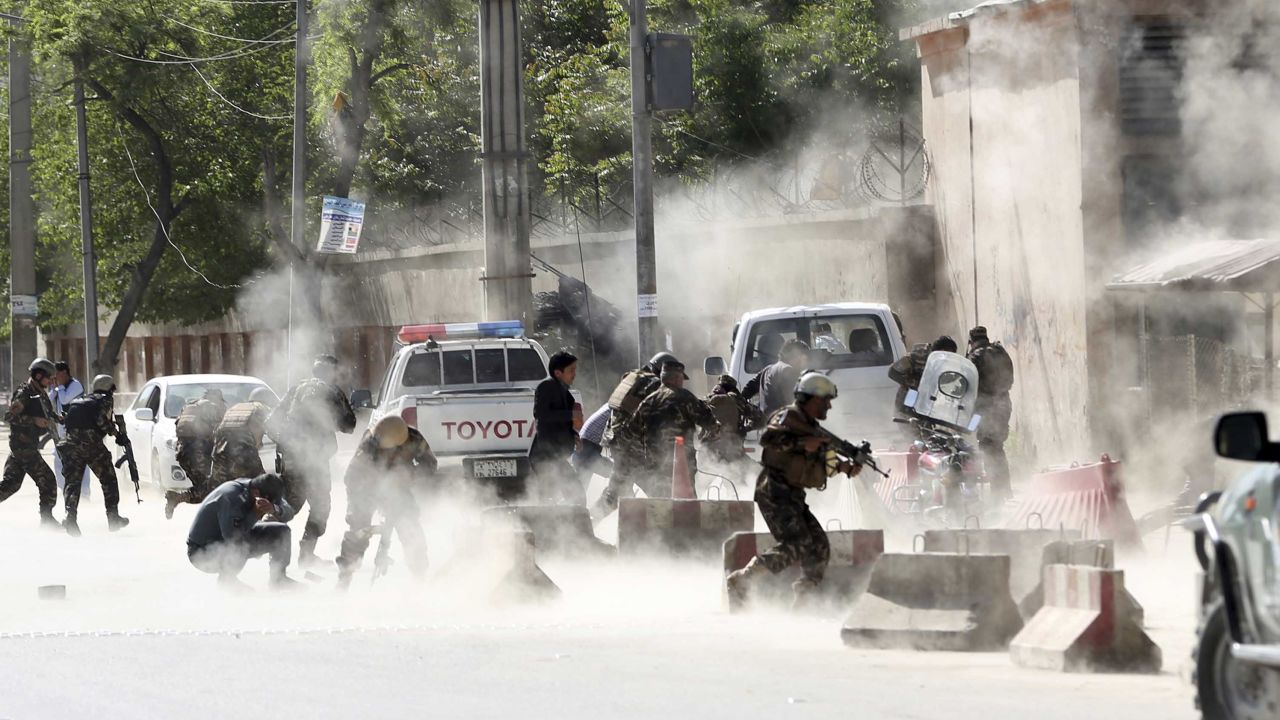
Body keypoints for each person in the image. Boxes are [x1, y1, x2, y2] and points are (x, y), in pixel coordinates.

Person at [726, 372, 863, 608]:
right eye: (825, 400)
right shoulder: (788, 416)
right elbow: (768, 439)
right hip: (774, 492)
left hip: (793, 495)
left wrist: (843, 467)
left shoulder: (812, 428)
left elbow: (819, 464)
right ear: (811, 398)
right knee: (797, 542)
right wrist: (802, 443)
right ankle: (743, 580)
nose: (829, 406)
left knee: (819, 545)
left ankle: (804, 599)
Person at [269, 355, 357, 567]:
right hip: (316, 460)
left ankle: (261, 541)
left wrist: (285, 443)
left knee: (290, 504)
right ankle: (306, 556)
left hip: (292, 458)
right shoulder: (333, 392)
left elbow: (271, 421)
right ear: (331, 372)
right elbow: (349, 426)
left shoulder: (296, 389)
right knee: (320, 506)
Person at [336, 416, 437, 589]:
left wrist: (409, 475)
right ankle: (344, 577)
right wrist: (358, 504)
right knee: (358, 528)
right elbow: (352, 476)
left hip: (398, 486)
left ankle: (420, 574)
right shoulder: (370, 442)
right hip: (367, 486)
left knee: (409, 525)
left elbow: (430, 464)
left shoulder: (414, 438)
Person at [621, 361, 721, 498]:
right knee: (686, 508)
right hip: (682, 467)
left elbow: (629, 433)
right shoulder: (685, 398)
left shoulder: (648, 401)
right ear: (677, 378)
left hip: (654, 468)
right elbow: (710, 423)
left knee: (660, 508)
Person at [594, 352, 675, 518]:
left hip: (617, 439)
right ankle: (662, 519)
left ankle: (598, 515)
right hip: (630, 442)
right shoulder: (653, 383)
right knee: (655, 484)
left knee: (621, 483)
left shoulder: (633, 377)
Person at [187, 473, 299, 590]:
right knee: (240, 545)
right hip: (202, 551)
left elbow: (289, 512)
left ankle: (278, 579)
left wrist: (275, 509)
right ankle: (227, 582)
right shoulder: (231, 497)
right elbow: (233, 538)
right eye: (269, 501)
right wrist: (255, 514)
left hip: (230, 536)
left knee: (281, 531)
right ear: (256, 494)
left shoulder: (260, 488)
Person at [56, 374, 131, 536]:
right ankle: (113, 518)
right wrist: (117, 435)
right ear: (108, 388)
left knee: (73, 483)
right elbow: (101, 421)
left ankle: (70, 518)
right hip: (91, 445)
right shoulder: (104, 400)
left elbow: (66, 420)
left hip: (70, 445)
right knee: (108, 479)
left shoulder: (81, 400)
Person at [0, 358, 61, 527]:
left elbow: (48, 414)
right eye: (48, 377)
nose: (50, 381)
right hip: (23, 448)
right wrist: (33, 420)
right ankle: (47, 521)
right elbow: (10, 416)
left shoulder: (40, 393)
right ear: (39, 375)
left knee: (10, 485)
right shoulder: (24, 393)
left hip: (24, 447)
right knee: (48, 481)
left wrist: (58, 418)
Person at [967, 326, 1015, 501]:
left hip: (985, 407)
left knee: (987, 447)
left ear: (971, 341)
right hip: (1003, 403)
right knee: (997, 446)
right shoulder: (1000, 351)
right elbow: (1010, 378)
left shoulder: (974, 357)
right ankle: (1004, 490)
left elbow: (968, 385)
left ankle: (998, 493)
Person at [529, 350, 584, 504]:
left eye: (575, 370)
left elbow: (562, 424)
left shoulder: (566, 393)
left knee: (574, 496)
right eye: (571, 370)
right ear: (558, 373)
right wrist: (570, 415)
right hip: (545, 457)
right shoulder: (546, 387)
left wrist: (574, 435)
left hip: (555, 457)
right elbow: (541, 414)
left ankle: (567, 524)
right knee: (551, 497)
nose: (574, 374)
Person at [164, 389, 228, 519]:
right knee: (212, 489)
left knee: (204, 487)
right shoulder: (212, 407)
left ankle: (178, 498)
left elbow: (178, 427)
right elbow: (221, 432)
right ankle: (177, 498)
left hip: (183, 453)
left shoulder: (189, 407)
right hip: (198, 453)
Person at [211, 388, 276, 487]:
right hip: (244, 447)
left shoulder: (236, 407)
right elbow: (274, 431)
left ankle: (190, 496)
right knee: (260, 484)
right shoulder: (263, 408)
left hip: (220, 447)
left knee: (219, 485)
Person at [888, 335, 958, 419]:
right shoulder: (918, 356)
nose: (949, 358)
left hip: (929, 404)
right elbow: (893, 372)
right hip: (909, 401)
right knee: (909, 426)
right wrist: (915, 384)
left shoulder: (946, 364)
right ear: (941, 350)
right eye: (948, 354)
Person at [49, 361, 91, 500]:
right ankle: (65, 490)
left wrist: (59, 387)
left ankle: (84, 493)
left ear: (64, 373)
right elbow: (49, 402)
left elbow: (65, 400)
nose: (55, 377)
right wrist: (54, 388)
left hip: (77, 430)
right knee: (58, 459)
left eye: (57, 374)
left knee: (80, 461)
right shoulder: (58, 388)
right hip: (61, 430)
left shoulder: (75, 385)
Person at [703, 375, 764, 463]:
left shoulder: (707, 399)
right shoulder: (735, 399)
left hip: (708, 451)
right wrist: (746, 429)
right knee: (756, 471)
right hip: (732, 450)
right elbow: (759, 417)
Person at [742, 339, 810, 416]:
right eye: (805, 357)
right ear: (797, 356)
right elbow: (792, 402)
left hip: (765, 422)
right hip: (781, 422)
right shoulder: (788, 370)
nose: (806, 362)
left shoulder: (767, 369)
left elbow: (747, 391)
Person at [572, 403, 613, 485]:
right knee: (617, 473)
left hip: (583, 449)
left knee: (579, 489)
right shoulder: (614, 411)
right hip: (587, 451)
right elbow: (614, 437)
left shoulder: (609, 407)